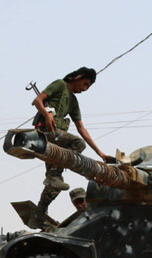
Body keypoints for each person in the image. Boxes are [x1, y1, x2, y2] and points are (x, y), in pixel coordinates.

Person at [29, 67, 111, 228]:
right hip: (46, 132)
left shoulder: (73, 101)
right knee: (78, 144)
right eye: (85, 84)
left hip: (56, 140)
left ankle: (38, 214)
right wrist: (47, 114)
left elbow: (81, 128)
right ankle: (55, 173)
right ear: (78, 77)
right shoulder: (60, 84)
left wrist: (100, 153)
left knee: (55, 186)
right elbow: (37, 101)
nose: (85, 89)